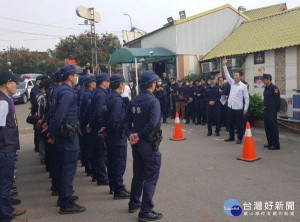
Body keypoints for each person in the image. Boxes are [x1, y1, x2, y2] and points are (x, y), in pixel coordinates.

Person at [124, 70, 163, 222]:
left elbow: (126, 121)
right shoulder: (153, 101)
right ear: (153, 84)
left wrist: (131, 134)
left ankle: (134, 203)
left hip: (137, 143)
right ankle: (146, 211)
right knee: (151, 176)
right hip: (148, 142)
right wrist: (139, 135)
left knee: (138, 174)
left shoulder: (134, 100)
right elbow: (153, 124)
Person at [48, 65, 86, 214]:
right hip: (67, 137)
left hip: (65, 136)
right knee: (68, 169)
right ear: (70, 77)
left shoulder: (59, 91)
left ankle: (66, 197)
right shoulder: (67, 94)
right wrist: (52, 135)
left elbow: (52, 113)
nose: (77, 77)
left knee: (66, 168)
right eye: (75, 75)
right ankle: (65, 203)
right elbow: (58, 116)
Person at [0, 70, 28, 222]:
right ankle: (5, 217)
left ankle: (8, 210)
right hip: (4, 149)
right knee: (4, 185)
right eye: (14, 82)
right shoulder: (2, 101)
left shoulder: (5, 98)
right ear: (6, 83)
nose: (16, 85)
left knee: (7, 183)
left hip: (7, 147)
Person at [102, 74, 130, 199]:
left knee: (112, 162)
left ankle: (114, 186)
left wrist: (105, 129)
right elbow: (115, 119)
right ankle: (119, 189)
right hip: (117, 135)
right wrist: (108, 128)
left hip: (110, 135)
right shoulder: (117, 100)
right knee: (119, 163)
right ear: (121, 85)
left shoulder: (109, 97)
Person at [89, 73, 110, 186]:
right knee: (101, 152)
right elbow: (99, 113)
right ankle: (102, 177)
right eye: (107, 81)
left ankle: (97, 174)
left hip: (94, 126)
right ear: (102, 82)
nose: (109, 83)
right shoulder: (101, 94)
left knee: (97, 152)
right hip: (98, 126)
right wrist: (102, 127)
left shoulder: (95, 92)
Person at [222, 58, 249, 144]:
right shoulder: (232, 83)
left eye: (236, 75)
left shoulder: (243, 86)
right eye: (234, 75)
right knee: (230, 123)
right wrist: (224, 65)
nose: (234, 76)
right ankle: (231, 137)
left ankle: (239, 138)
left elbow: (247, 98)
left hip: (238, 108)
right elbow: (227, 74)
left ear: (240, 77)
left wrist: (246, 108)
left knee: (239, 124)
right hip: (230, 106)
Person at [80, 76, 97, 177]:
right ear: (90, 84)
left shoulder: (84, 93)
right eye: (94, 82)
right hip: (87, 124)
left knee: (87, 147)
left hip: (84, 123)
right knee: (90, 148)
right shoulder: (88, 95)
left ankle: (88, 167)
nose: (95, 84)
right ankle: (90, 169)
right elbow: (88, 112)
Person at [262, 74, 281, 150]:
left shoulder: (274, 88)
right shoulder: (266, 88)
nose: (263, 81)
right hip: (266, 109)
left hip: (272, 110)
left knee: (273, 127)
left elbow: (278, 101)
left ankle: (276, 144)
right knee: (267, 127)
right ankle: (270, 142)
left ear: (268, 79)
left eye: (264, 79)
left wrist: (275, 110)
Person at [30, 75, 42, 153]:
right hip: (36, 112)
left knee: (37, 130)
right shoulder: (35, 89)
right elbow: (34, 102)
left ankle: (37, 147)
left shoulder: (35, 89)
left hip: (36, 111)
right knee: (37, 130)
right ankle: (37, 147)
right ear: (38, 81)